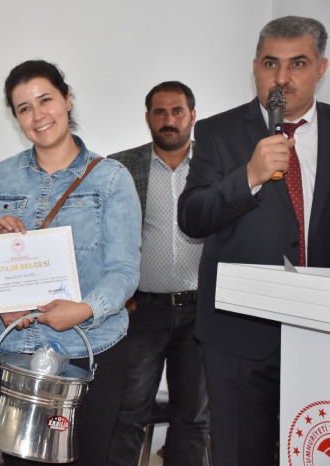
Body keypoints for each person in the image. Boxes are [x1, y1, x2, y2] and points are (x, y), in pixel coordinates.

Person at [178, 16, 330, 466]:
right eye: (270, 63)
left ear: (321, 68)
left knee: (314, 451)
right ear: (254, 68)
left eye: (297, 63)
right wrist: (249, 176)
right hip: (239, 333)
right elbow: (192, 217)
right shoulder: (218, 132)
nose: (281, 78)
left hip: (321, 328)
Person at [0, 60, 141, 466]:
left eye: (45, 100)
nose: (38, 115)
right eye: (24, 108)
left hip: (89, 350)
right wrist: (0, 288)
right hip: (14, 354)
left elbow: (124, 271)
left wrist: (83, 310)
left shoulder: (112, 178)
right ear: (16, 117)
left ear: (67, 99)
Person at [106, 81, 208, 466]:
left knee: (193, 416)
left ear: (192, 116)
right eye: (160, 112)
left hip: (201, 311)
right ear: (147, 118)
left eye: (177, 111)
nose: (169, 120)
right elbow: (105, 237)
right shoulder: (120, 168)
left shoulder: (213, 166)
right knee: (128, 411)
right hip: (142, 311)